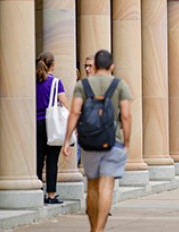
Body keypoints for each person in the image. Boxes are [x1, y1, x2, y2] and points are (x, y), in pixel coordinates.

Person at [63, 50, 132, 232]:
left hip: (90, 141)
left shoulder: (82, 85)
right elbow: (125, 116)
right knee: (107, 185)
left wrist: (66, 140)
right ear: (111, 66)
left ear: (94, 66)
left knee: (92, 186)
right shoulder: (120, 85)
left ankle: (93, 227)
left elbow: (75, 112)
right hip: (114, 140)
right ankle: (98, 230)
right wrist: (126, 141)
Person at [36, 52, 69, 204]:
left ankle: (36, 191)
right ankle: (51, 194)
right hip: (52, 124)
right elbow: (63, 100)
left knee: (37, 159)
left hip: (36, 123)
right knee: (52, 160)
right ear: (53, 65)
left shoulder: (34, 81)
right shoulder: (56, 82)